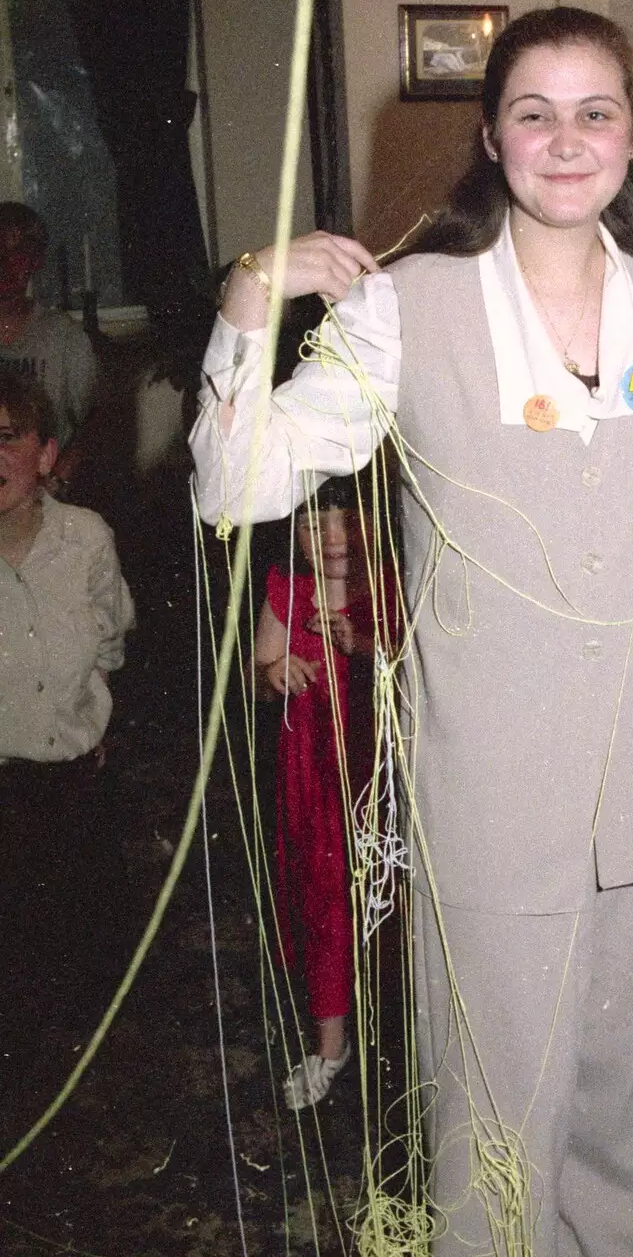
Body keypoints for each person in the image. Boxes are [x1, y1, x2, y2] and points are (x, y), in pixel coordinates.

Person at [190, 6, 633, 1256]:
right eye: (533, 112)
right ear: (491, 137)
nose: (564, 137)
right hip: (483, 795)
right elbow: (234, 486)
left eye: (595, 111)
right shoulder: (409, 306)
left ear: (631, 135)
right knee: (488, 1121)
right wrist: (245, 301)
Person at [252, 473, 395, 1110]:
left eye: (348, 519)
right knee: (325, 896)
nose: (333, 538)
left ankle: (401, 1025)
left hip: (381, 768)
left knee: (388, 896)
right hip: (314, 773)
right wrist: (275, 671)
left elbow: (420, 661)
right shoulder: (287, 590)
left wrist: (361, 645)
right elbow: (259, 675)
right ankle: (330, 1043)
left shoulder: (389, 582)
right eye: (315, 524)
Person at [0, 367, 134, 1026]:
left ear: (46, 452)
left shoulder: (86, 538)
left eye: (7, 437)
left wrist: (96, 724)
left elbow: (110, 642)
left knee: (85, 972)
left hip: (75, 783)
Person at [0, 202, 99, 493]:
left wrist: (56, 479)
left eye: (18, 252)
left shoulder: (62, 335)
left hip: (43, 497)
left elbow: (94, 419)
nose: (4, 261)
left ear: (35, 260)